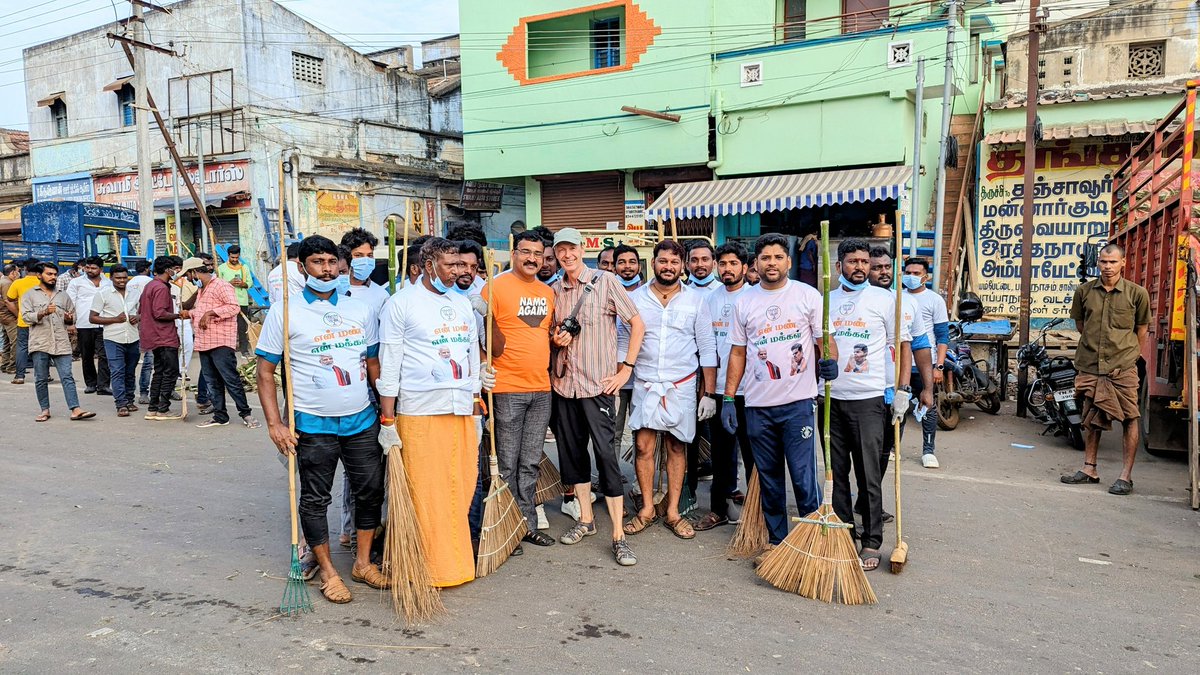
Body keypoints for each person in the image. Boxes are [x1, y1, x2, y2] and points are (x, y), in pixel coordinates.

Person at [256, 235, 388, 604]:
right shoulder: (285, 312)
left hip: (362, 419)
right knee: (315, 499)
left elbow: (373, 363)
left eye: (332, 262)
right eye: (317, 262)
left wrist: (389, 411)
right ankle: (329, 572)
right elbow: (265, 372)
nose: (327, 269)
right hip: (312, 423)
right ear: (302, 267)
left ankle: (362, 563)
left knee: (369, 491)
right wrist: (275, 424)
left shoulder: (359, 309)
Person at [378, 237, 487, 587]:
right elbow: (389, 364)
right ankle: (422, 567)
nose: (458, 272)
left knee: (460, 488)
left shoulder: (463, 304)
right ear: (428, 266)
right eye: (450, 265)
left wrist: (476, 398)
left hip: (460, 411)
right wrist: (388, 420)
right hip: (419, 413)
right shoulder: (401, 304)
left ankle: (455, 565)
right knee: (426, 494)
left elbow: (471, 355)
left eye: (462, 266)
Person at [722, 234, 836, 556]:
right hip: (758, 407)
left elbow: (823, 339)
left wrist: (831, 362)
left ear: (788, 262)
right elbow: (738, 353)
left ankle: (814, 543)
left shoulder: (807, 295)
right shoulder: (744, 302)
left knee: (804, 479)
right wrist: (730, 399)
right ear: (756, 264)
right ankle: (778, 544)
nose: (771, 262)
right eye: (765, 257)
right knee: (770, 482)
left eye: (777, 257)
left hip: (798, 405)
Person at [548, 227, 644, 566]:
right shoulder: (554, 290)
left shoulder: (605, 281)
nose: (567, 255)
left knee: (606, 457)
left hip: (598, 387)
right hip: (564, 386)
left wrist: (626, 369)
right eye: (561, 249)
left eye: (571, 248)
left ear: (582, 248)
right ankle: (586, 520)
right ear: (556, 253)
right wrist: (556, 340)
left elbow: (637, 323)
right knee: (572, 457)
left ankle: (618, 535)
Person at [623, 239, 717, 542]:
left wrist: (709, 393)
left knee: (677, 448)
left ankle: (674, 511)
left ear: (683, 265)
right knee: (643, 447)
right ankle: (648, 509)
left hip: (682, 385)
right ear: (654, 263)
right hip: (646, 382)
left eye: (675, 262)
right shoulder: (636, 299)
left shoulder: (695, 301)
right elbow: (624, 342)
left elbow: (707, 347)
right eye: (663, 261)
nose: (668, 267)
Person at [827, 238, 912, 572]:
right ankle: (845, 532)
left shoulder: (887, 299)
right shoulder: (826, 300)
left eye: (864, 262)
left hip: (869, 399)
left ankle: (872, 539)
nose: (859, 267)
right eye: (852, 262)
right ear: (839, 266)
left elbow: (903, 345)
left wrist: (902, 388)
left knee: (869, 472)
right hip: (832, 398)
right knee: (836, 474)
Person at [484, 230, 557, 548]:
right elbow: (481, 333)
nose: (531, 259)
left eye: (538, 254)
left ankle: (526, 523)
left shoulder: (547, 292)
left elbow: (546, 336)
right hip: (506, 388)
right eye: (525, 252)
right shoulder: (495, 287)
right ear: (514, 254)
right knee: (507, 462)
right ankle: (507, 528)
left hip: (541, 389)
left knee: (530, 463)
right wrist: (482, 369)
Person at [1060, 243, 1151, 496]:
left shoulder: (1137, 293)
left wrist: (1130, 357)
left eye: (1112, 262)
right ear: (1097, 263)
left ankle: (1126, 476)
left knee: (1130, 417)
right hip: (1090, 365)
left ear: (1123, 263)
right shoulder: (1084, 291)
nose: (1107, 267)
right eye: (1103, 262)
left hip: (1122, 368)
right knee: (1091, 417)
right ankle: (1090, 469)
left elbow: (1141, 329)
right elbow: (1081, 325)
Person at [866, 247, 934, 521]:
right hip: (862, 391)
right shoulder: (853, 302)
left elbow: (920, 347)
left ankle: (869, 502)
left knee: (884, 451)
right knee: (861, 451)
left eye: (886, 267)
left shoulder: (907, 304)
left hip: (895, 391)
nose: (882, 272)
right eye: (876, 267)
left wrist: (927, 388)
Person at [693, 241, 754, 531]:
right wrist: (707, 391)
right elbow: (706, 346)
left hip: (751, 391)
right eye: (723, 264)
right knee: (721, 452)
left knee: (754, 453)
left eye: (733, 264)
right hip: (717, 389)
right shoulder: (710, 299)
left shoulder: (755, 297)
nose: (727, 269)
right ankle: (719, 508)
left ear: (745, 267)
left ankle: (759, 511)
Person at [188, 258, 260, 429]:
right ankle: (220, 415)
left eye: (189, 275)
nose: (189, 279)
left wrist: (211, 313)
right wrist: (190, 313)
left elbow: (233, 307)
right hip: (204, 341)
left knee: (230, 379)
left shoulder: (220, 285)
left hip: (220, 341)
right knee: (212, 381)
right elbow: (201, 311)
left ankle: (246, 414)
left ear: (195, 272)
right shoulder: (201, 289)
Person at [20, 262, 95, 422]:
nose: (53, 277)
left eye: (55, 274)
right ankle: (44, 410)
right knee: (40, 378)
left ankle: (75, 409)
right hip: (40, 342)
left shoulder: (63, 295)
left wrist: (69, 319)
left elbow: (71, 316)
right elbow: (26, 317)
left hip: (61, 342)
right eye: (49, 274)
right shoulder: (30, 295)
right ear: (40, 275)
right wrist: (43, 312)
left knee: (67, 376)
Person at [902, 256, 950, 468]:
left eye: (916, 273)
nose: (911, 277)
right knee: (899, 406)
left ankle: (928, 451)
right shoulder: (897, 298)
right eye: (908, 273)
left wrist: (938, 366)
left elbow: (942, 336)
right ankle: (894, 447)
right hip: (901, 364)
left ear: (925, 276)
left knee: (927, 406)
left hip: (925, 364)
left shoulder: (934, 300)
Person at [90, 265, 142, 416]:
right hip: (113, 338)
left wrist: (138, 317)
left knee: (130, 371)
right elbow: (92, 317)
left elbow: (143, 312)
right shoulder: (103, 294)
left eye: (124, 277)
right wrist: (115, 319)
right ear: (111, 277)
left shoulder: (135, 292)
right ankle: (121, 404)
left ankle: (130, 400)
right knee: (117, 371)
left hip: (133, 337)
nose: (122, 281)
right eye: (118, 278)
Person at [139, 256, 188, 421]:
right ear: (167, 270)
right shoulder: (160, 288)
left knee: (159, 371)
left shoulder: (150, 285)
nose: (175, 272)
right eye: (174, 269)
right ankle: (163, 408)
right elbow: (159, 312)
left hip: (154, 335)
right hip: (164, 336)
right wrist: (178, 315)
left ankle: (153, 407)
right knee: (170, 371)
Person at [611, 244, 642, 470]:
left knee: (643, 433)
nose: (627, 267)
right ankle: (610, 480)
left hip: (642, 375)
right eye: (621, 262)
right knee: (613, 430)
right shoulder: (606, 291)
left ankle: (641, 485)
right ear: (614, 267)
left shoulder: (648, 293)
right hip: (614, 374)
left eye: (632, 262)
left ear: (639, 265)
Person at [67, 257, 112, 395]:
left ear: (101, 269)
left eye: (93, 268)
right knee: (87, 355)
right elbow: (70, 303)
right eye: (88, 268)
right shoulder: (76, 283)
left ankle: (103, 385)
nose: (90, 270)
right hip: (84, 323)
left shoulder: (108, 283)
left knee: (105, 355)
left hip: (105, 323)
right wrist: (71, 323)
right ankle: (91, 384)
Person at [6, 258, 42, 385]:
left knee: (22, 348)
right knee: (42, 348)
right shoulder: (43, 282)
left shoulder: (18, 283)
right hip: (41, 321)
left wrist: (18, 313)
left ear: (25, 269)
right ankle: (44, 375)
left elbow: (9, 299)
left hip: (24, 321)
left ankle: (19, 376)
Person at [341, 229, 389, 317]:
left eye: (370, 255)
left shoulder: (382, 295)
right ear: (346, 257)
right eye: (358, 255)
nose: (366, 261)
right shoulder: (334, 291)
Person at [126, 261, 155, 405]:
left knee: (145, 358)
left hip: (133, 321)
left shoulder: (130, 283)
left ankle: (143, 391)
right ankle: (144, 391)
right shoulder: (151, 282)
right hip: (148, 323)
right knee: (151, 359)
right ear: (147, 269)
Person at [217, 244, 253, 355]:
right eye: (232, 257)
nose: (234, 259)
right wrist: (229, 283)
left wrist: (243, 284)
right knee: (227, 327)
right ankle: (228, 349)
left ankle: (244, 350)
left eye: (236, 257)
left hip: (242, 301)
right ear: (228, 256)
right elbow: (218, 285)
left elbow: (250, 283)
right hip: (227, 302)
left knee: (242, 327)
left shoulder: (244, 267)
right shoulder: (221, 268)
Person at [0, 263, 19, 374]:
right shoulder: (7, 283)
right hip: (9, 316)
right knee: (16, 342)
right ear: (12, 272)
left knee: (7, 341)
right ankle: (12, 366)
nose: (19, 274)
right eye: (17, 271)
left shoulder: (3, 281)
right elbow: (9, 302)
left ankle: (5, 364)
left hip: (4, 316)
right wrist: (18, 316)